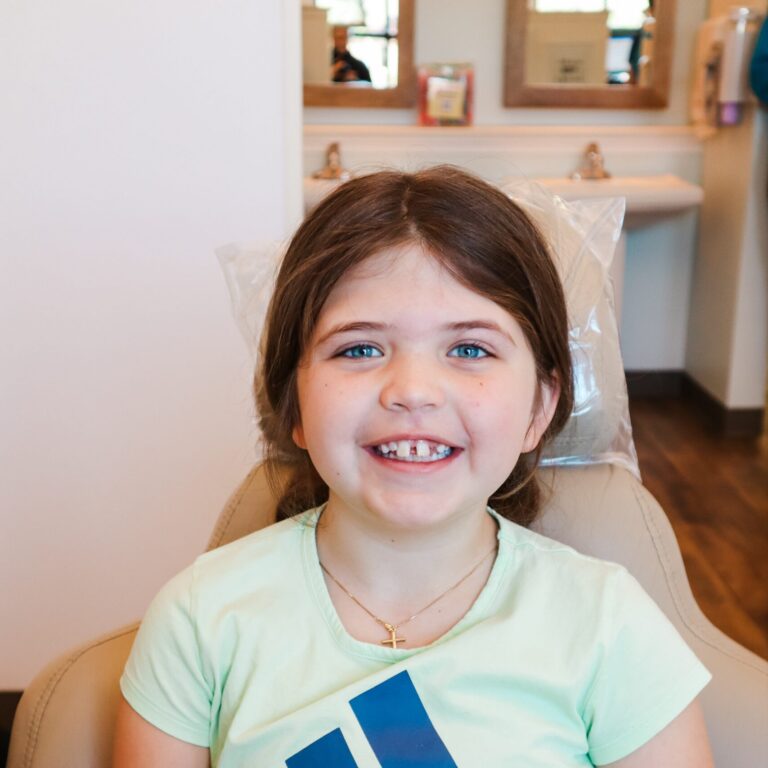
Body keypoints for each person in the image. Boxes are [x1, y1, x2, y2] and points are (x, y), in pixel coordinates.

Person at [113, 167, 714, 766]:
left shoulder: (610, 629)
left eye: (470, 349)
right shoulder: (200, 622)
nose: (414, 391)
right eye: (360, 348)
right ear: (292, 407)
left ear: (540, 406)